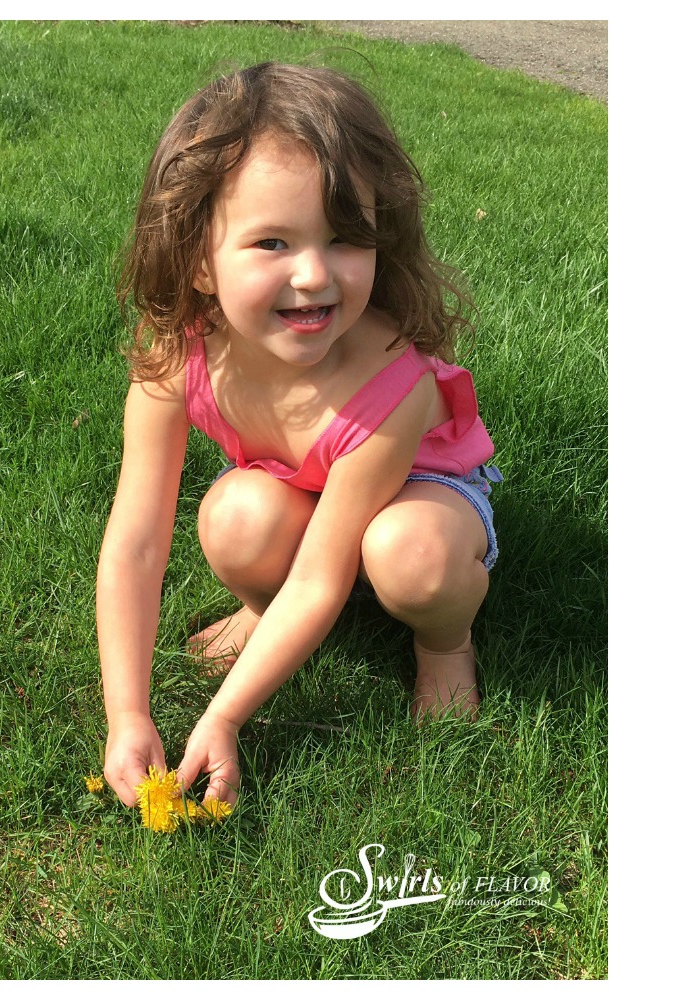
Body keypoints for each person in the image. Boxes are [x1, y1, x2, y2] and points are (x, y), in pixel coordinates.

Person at [97, 63, 502, 809]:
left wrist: (223, 720)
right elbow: (136, 540)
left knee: (409, 556)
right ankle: (260, 611)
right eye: (273, 242)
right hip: (300, 488)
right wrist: (128, 713)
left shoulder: (391, 380)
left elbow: (322, 578)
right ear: (199, 261)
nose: (314, 274)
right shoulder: (176, 358)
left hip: (419, 495)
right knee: (233, 518)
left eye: (346, 237)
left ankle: (445, 646)